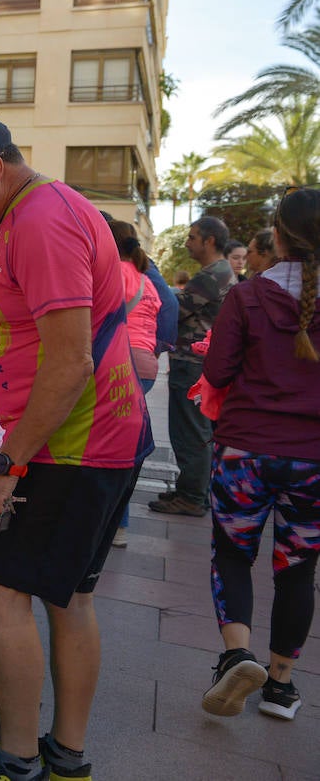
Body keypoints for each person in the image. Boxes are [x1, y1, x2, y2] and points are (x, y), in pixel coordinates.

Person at [0, 108, 150, 781]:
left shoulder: (39, 219)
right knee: (70, 596)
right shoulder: (39, 211)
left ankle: (18, 763)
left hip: (70, 444)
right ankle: (65, 759)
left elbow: (68, 361)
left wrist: (10, 461)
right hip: (103, 435)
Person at [198, 187, 320, 721]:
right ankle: (281, 688)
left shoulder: (247, 297)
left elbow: (218, 372)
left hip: (243, 452)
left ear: (280, 237)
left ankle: (236, 654)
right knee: (297, 571)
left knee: (232, 553)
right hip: (313, 460)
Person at [150, 216, 236, 517]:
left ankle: (191, 496)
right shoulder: (219, 272)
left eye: (192, 236)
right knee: (191, 429)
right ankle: (192, 489)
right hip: (195, 362)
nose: (187, 242)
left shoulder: (214, 275)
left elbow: (176, 309)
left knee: (189, 431)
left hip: (192, 363)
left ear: (209, 241)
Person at [107, 219, 164, 549]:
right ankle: (119, 525)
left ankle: (116, 524)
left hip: (119, 363)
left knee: (112, 448)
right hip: (146, 366)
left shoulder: (111, 271)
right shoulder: (147, 280)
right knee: (125, 444)